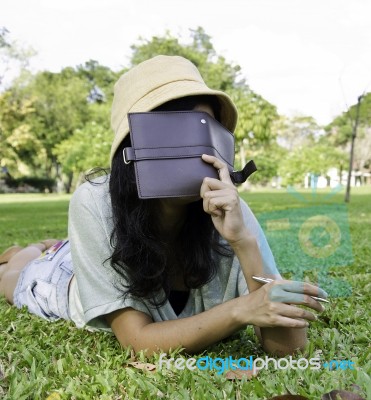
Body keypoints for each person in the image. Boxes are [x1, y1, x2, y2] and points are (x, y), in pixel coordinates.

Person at [0, 55, 327, 356]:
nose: (197, 151)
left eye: (206, 130)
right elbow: (138, 341)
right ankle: (29, 251)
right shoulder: (94, 201)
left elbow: (288, 351)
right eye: (179, 131)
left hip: (94, 257)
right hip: (64, 280)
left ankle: (55, 246)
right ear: (135, 145)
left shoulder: (230, 211)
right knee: (11, 278)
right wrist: (240, 309)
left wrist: (244, 242)